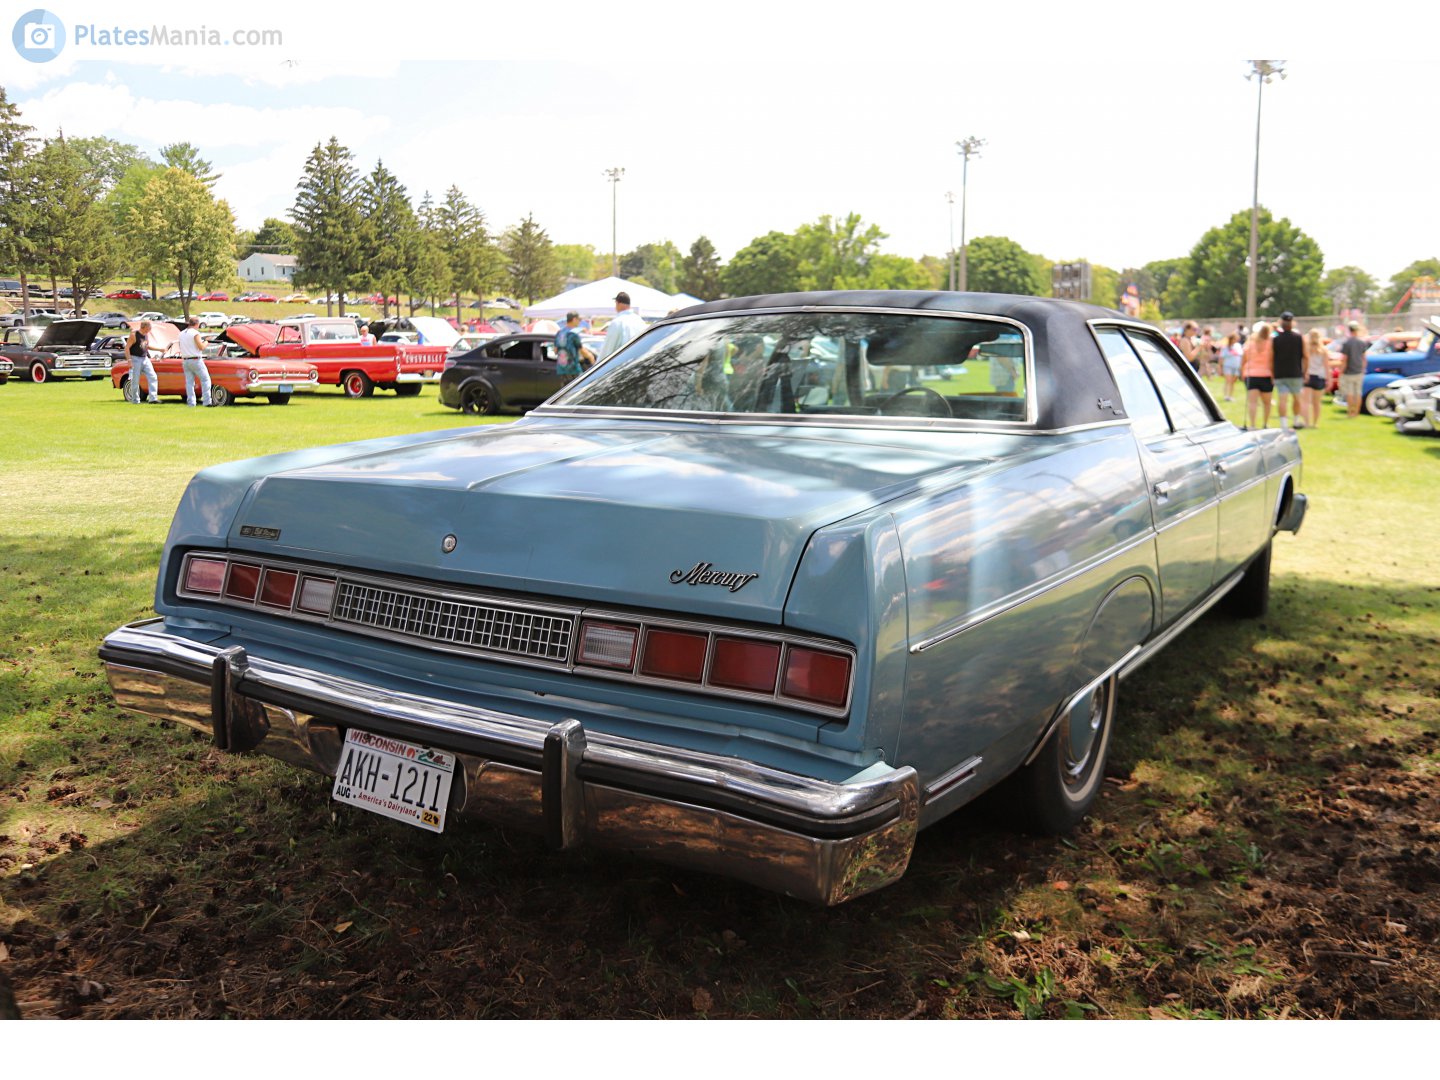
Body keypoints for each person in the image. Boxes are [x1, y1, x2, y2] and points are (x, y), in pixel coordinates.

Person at [1271, 311, 1305, 429]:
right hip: (1295, 373)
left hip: (1280, 373)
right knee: (1297, 399)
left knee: (1282, 399)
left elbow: (1272, 357)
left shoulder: (1276, 339)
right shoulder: (1298, 338)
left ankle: (1284, 424)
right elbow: (1305, 355)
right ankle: (1295, 420)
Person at [1241, 320, 1274, 430]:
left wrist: (1242, 372)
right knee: (1267, 403)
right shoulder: (1271, 343)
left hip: (1251, 375)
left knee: (1252, 402)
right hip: (1266, 375)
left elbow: (1244, 359)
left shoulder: (1250, 343)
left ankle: (1253, 424)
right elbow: (1271, 361)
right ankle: (1265, 423)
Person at [178, 315, 213, 407]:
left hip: (185, 360)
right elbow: (201, 347)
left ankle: (191, 402)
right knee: (205, 380)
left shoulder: (181, 333)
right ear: (197, 324)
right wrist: (206, 341)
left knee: (189, 382)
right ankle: (207, 401)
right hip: (195, 359)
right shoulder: (195, 333)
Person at [601, 291, 646, 358]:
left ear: (617, 303)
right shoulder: (640, 321)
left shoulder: (617, 322)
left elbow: (608, 349)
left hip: (622, 364)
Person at [1338, 320, 1369, 419]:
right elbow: (1364, 358)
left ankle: (1350, 412)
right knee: (1358, 393)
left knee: (1350, 393)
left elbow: (1345, 359)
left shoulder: (1347, 343)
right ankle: (1356, 413)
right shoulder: (1362, 342)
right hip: (1359, 371)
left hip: (1349, 372)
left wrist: (1341, 372)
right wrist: (1363, 369)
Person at [125, 320, 160, 404]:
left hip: (145, 358)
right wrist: (129, 360)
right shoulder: (134, 335)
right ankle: (135, 400)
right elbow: (127, 348)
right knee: (135, 380)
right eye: (149, 327)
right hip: (135, 358)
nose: (150, 329)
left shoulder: (146, 335)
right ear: (144, 327)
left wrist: (160, 349)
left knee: (153, 376)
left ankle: (153, 398)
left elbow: (146, 346)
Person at [554, 311, 595, 380]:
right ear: (574, 319)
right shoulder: (573, 334)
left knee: (566, 389)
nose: (580, 322)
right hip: (573, 369)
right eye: (579, 320)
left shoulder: (559, 332)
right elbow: (581, 350)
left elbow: (555, 350)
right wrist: (591, 357)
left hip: (561, 369)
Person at [1302, 327, 1328, 429]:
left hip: (1308, 376)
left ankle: (1306, 422)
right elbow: (1326, 366)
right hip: (1319, 376)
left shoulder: (1305, 349)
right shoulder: (1323, 350)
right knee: (1316, 403)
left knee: (1305, 402)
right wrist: (1328, 378)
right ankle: (1315, 423)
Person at [1220, 331, 1243, 402]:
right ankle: (1226, 396)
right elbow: (1222, 358)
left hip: (1236, 366)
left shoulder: (1238, 346)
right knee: (1228, 381)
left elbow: (1241, 355)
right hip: (1228, 366)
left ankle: (1230, 395)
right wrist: (1220, 367)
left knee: (1233, 382)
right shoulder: (1225, 347)